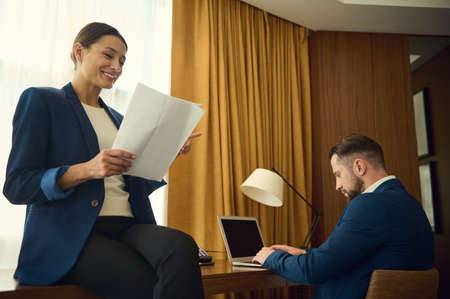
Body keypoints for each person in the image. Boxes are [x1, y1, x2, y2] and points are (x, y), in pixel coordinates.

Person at [3, 22, 204, 299]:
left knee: (182, 245)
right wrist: (87, 170)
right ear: (79, 51)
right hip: (72, 234)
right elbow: (18, 186)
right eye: (109, 55)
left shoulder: (121, 120)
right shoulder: (42, 101)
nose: (117, 66)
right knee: (143, 281)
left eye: (122, 60)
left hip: (128, 226)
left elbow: (134, 185)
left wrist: (166, 152)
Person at [253, 134, 434, 299]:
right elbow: (356, 257)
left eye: (338, 175)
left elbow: (313, 271)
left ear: (359, 166)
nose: (337, 186)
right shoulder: (410, 204)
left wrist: (270, 257)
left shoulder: (370, 204)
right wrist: (304, 253)